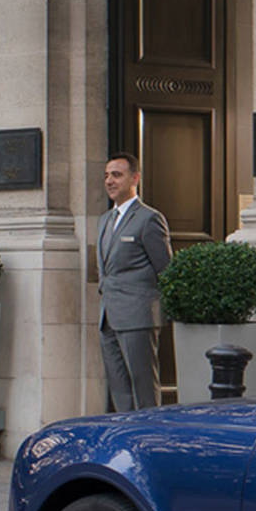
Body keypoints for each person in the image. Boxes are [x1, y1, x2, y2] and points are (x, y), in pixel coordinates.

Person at [95, 151, 172, 411]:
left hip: (138, 317)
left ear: (135, 178)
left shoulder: (149, 218)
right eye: (106, 176)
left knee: (143, 388)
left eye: (117, 175)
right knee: (119, 389)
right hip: (109, 317)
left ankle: (149, 437)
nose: (109, 181)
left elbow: (165, 269)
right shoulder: (104, 220)